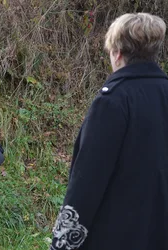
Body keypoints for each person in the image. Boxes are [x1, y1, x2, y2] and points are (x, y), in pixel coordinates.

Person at [50, 13, 168, 250]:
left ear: (117, 53)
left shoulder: (113, 101)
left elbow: (87, 181)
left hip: (118, 235)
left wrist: (61, 244)